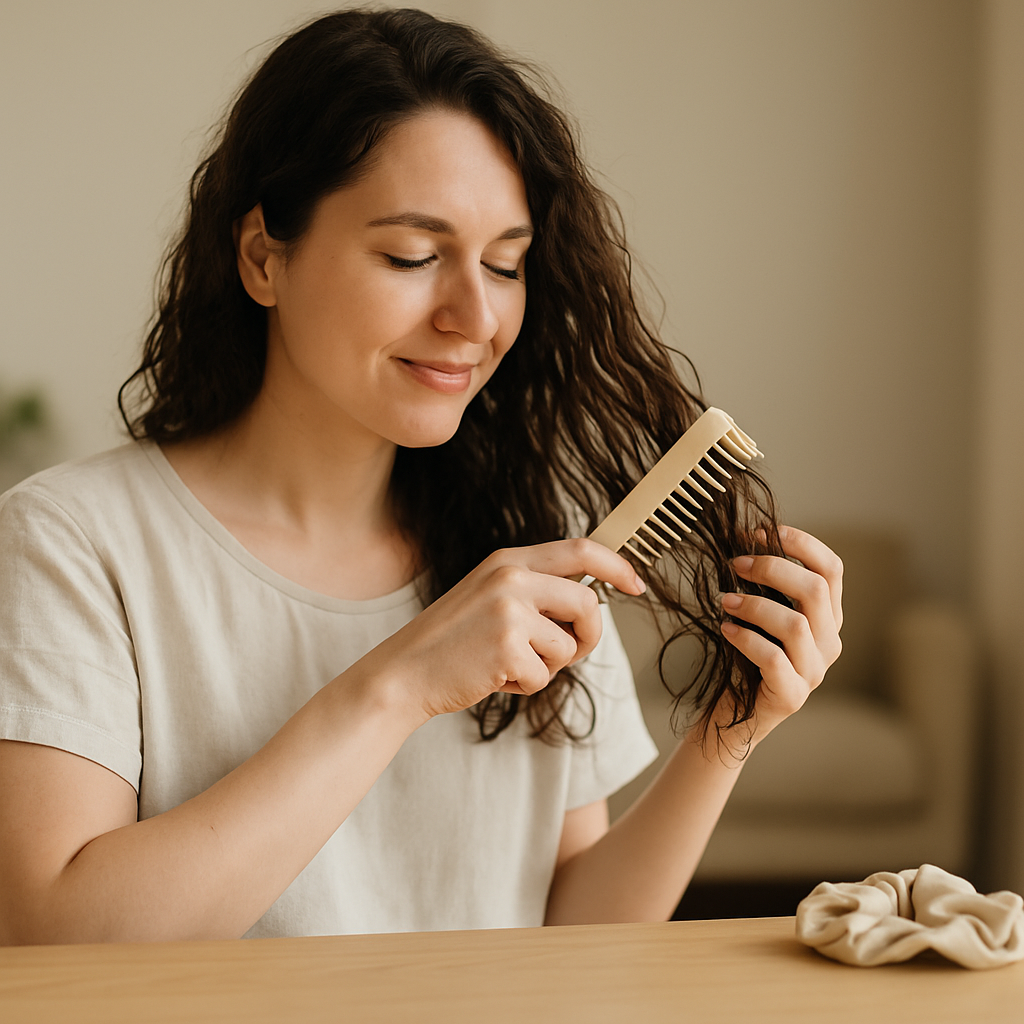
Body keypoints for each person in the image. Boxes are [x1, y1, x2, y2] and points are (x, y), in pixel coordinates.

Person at [0, 8, 842, 944]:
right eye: (413, 257)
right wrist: (399, 683)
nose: (473, 316)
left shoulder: (534, 540)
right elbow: (52, 938)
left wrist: (727, 734)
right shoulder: (73, 542)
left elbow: (574, 939)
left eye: (506, 264)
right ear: (262, 257)